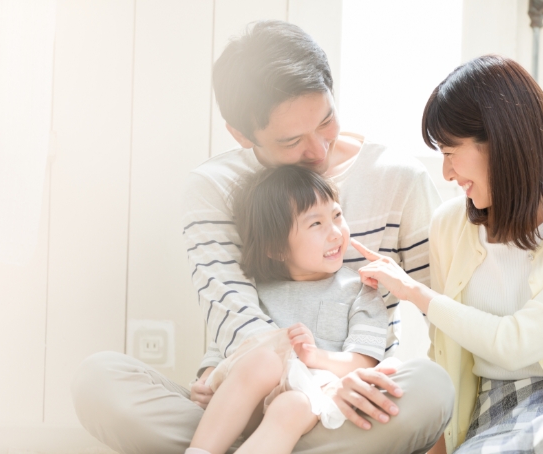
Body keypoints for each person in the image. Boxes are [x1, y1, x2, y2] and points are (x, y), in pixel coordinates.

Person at [71, 20, 453, 454]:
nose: (319, 151)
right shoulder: (215, 188)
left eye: (326, 120)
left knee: (431, 389)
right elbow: (237, 320)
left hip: (343, 407)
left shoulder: (396, 178)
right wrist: (223, 379)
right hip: (241, 403)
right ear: (241, 134)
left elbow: (445, 309)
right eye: (292, 140)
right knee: (99, 380)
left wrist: (330, 389)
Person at [353, 55, 543, 454]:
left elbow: (517, 343)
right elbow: (446, 349)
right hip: (493, 408)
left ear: (501, 141)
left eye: (450, 151)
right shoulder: (449, 226)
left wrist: (416, 293)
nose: (445, 173)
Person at [187, 165, 389, 454]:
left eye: (336, 215)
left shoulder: (360, 288)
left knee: (292, 405)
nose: (334, 233)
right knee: (263, 361)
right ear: (277, 248)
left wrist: (316, 356)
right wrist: (206, 378)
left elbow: (365, 362)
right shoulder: (255, 291)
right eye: (315, 224)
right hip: (253, 402)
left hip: (312, 401)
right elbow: (228, 346)